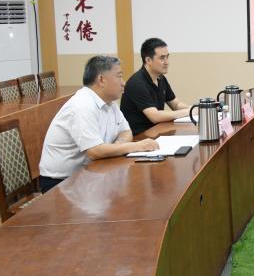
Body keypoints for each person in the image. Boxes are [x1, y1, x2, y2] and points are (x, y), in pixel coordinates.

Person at [38, 55, 159, 192]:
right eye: (119, 76)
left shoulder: (109, 102)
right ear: (101, 79)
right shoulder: (82, 105)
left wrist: (118, 145)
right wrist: (137, 146)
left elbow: (126, 131)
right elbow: (94, 151)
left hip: (91, 173)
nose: (123, 83)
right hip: (62, 184)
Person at [120, 38, 191, 135]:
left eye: (167, 57)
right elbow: (155, 116)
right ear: (148, 60)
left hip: (156, 131)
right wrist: (189, 112)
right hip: (139, 136)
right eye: (162, 58)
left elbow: (176, 104)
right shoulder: (136, 83)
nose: (167, 62)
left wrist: (196, 108)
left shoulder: (160, 78)